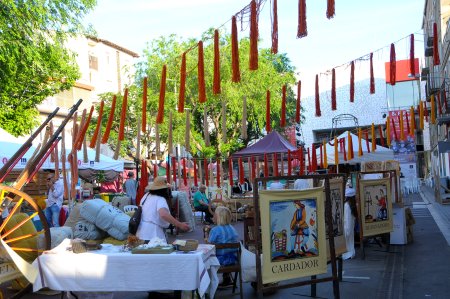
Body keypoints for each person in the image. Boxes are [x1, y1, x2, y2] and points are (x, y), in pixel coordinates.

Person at [136, 176, 189, 242]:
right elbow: (163, 214)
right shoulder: (160, 199)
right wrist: (179, 224)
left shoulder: (146, 196)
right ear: (164, 190)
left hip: (141, 231)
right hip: (154, 233)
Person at [207, 206, 239, 286]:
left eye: (214, 215)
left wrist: (207, 234)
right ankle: (226, 277)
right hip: (234, 259)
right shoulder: (232, 228)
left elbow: (209, 245)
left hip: (219, 261)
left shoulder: (215, 230)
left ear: (218, 217)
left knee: (205, 257)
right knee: (227, 251)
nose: (213, 216)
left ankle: (207, 283)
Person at [343, 182, 357, 260]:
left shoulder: (347, 206)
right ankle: (351, 252)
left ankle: (349, 253)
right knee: (351, 241)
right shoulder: (352, 205)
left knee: (348, 241)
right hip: (351, 225)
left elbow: (347, 218)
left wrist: (346, 230)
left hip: (347, 226)